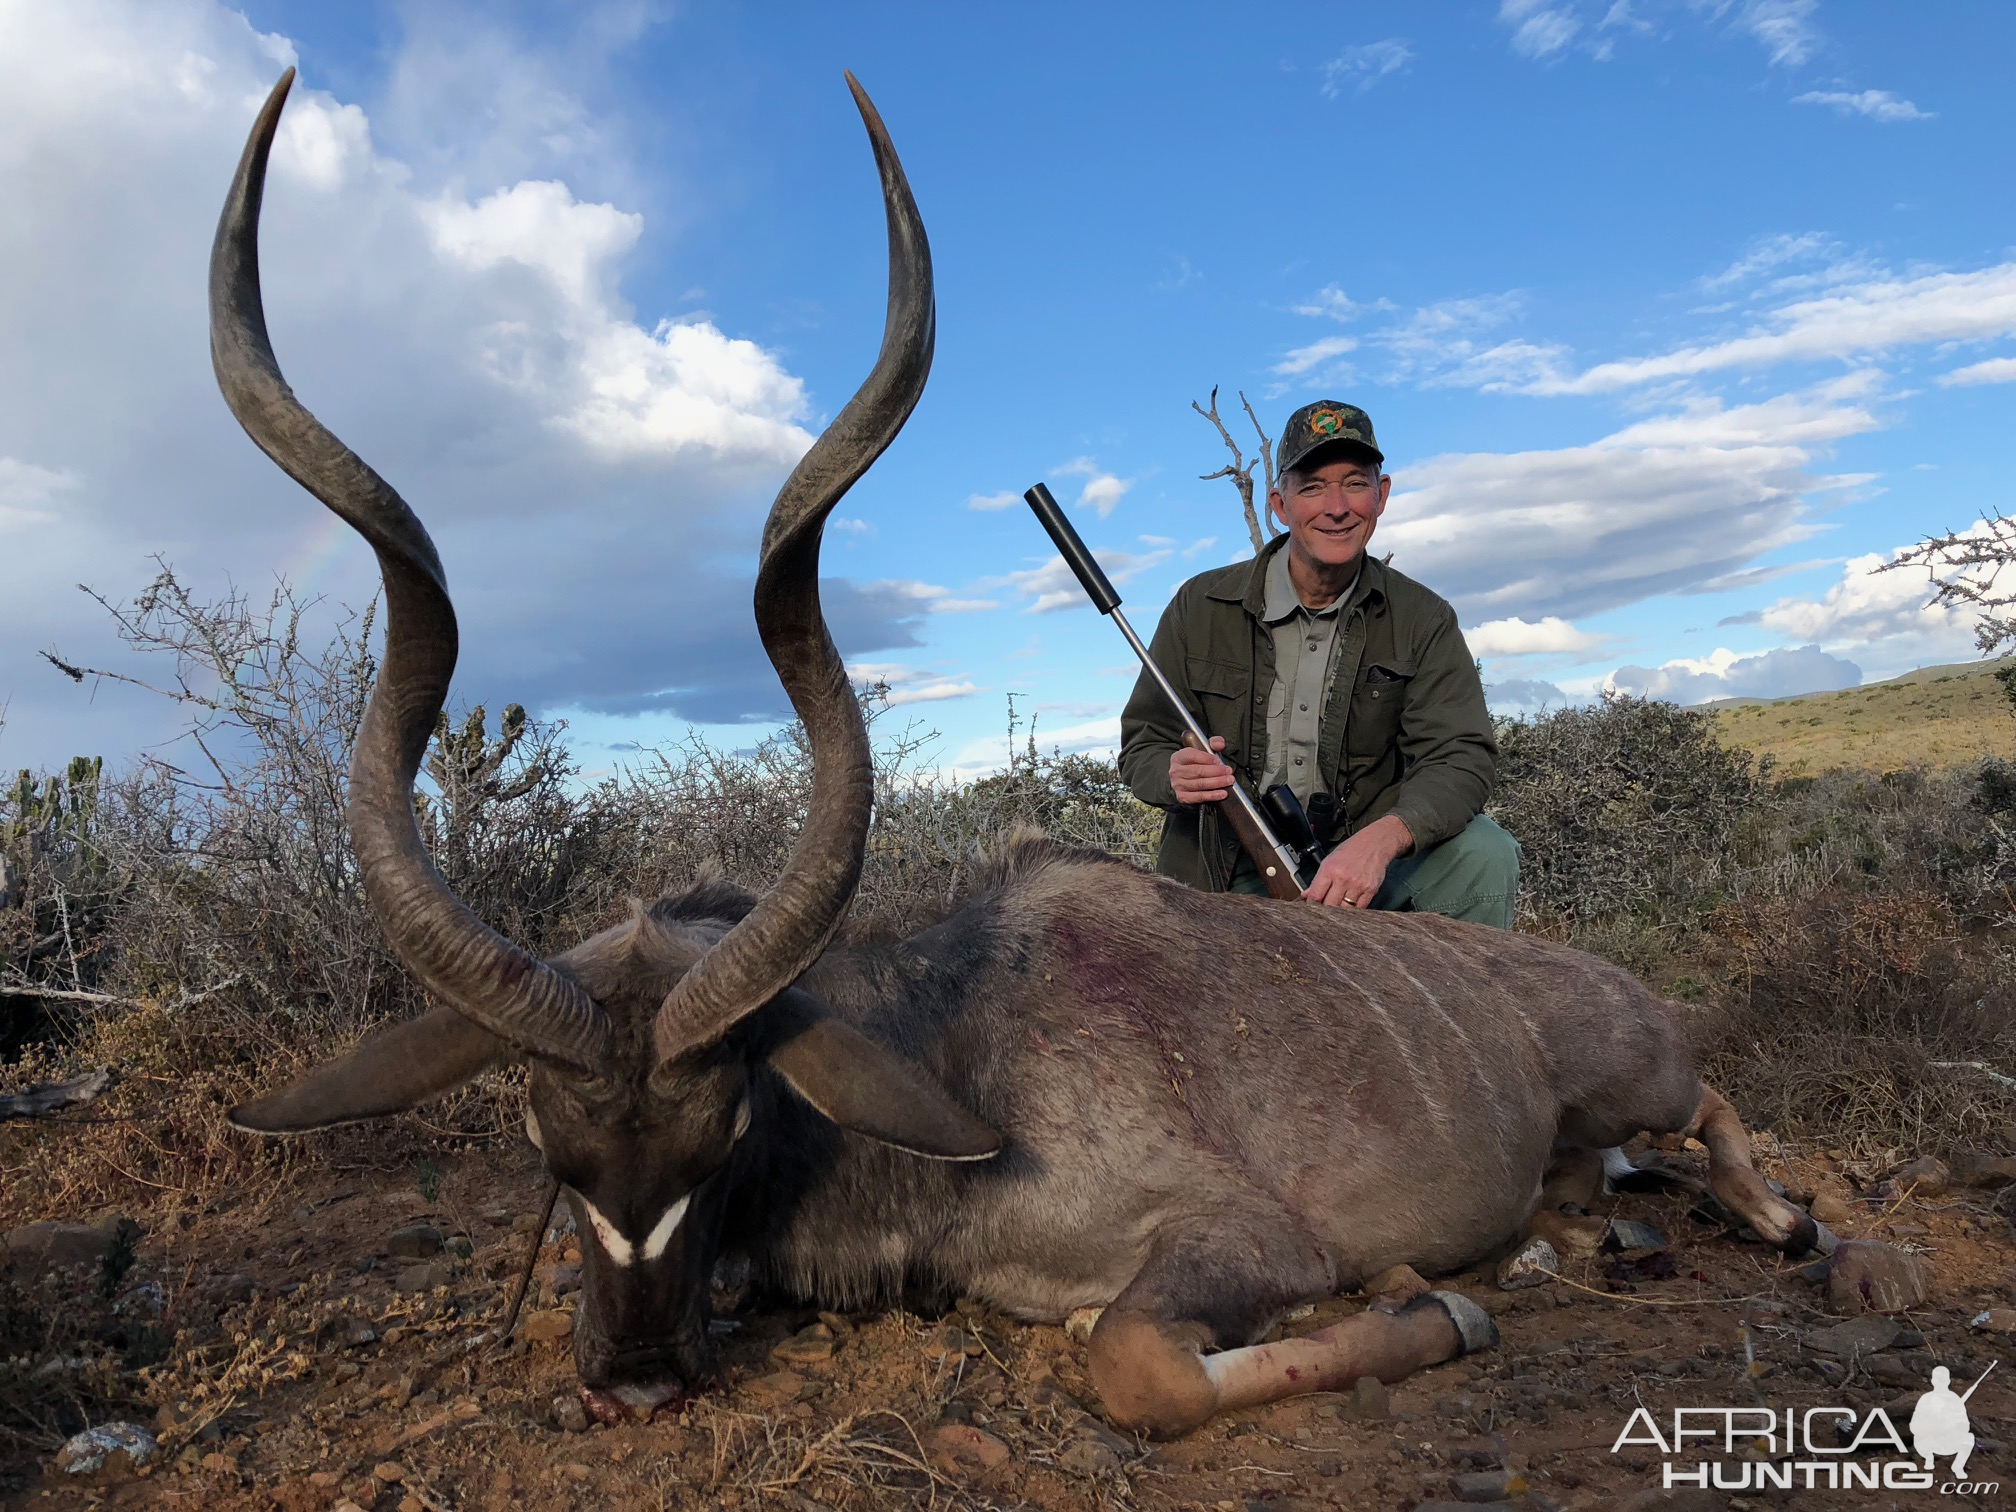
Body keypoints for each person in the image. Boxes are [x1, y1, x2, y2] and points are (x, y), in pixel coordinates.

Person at [1117, 400, 1519, 926]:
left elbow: (1461, 755)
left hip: (1363, 869)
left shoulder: (1423, 617)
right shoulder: (1200, 605)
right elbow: (1144, 742)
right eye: (1312, 487)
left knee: (1485, 853)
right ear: (1280, 505)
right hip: (1227, 874)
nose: (1336, 507)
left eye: (1355, 483)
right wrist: (1174, 778)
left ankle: (1465, 1009)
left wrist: (1383, 840)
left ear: (1382, 495)